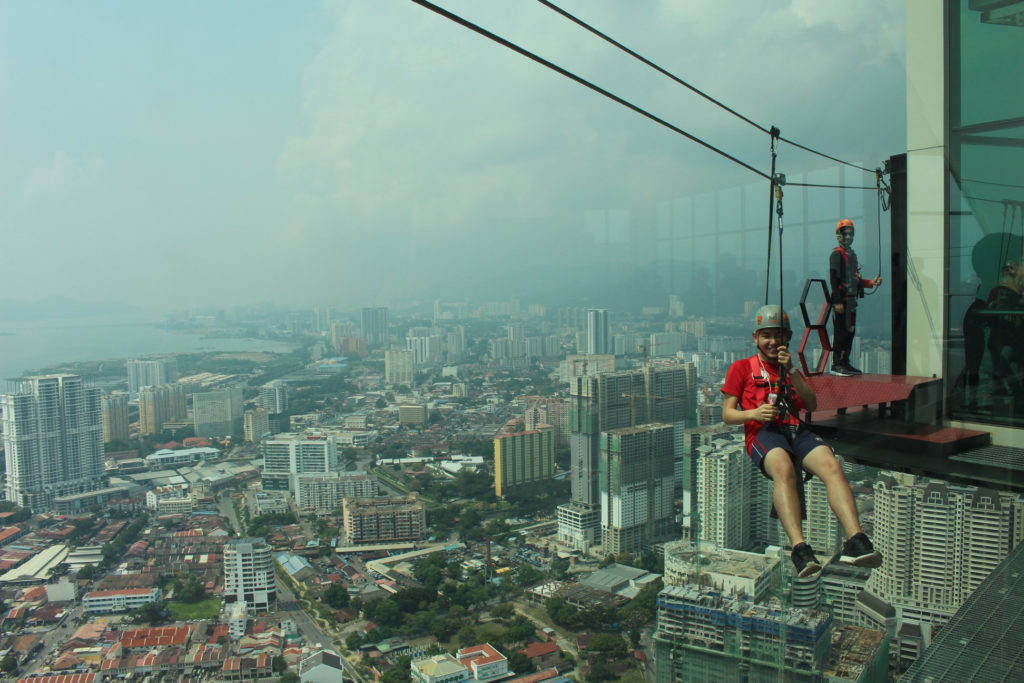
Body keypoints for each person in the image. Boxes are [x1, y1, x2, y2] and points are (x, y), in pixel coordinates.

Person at [722, 304, 882, 577]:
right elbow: (727, 414)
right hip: (764, 432)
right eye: (767, 335)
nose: (773, 341)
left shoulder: (790, 370)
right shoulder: (741, 368)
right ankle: (799, 548)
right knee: (784, 469)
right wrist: (755, 413)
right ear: (755, 337)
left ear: (789, 337)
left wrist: (792, 370)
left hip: (796, 429)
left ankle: (855, 539)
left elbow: (811, 402)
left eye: (779, 335)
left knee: (831, 466)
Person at [830, 219, 882, 376]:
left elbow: (854, 279)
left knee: (850, 332)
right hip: (843, 301)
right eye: (845, 234)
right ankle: (837, 363)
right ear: (839, 235)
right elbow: (834, 278)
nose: (848, 237)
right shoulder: (837, 255)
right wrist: (838, 301)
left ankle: (845, 362)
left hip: (851, 301)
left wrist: (870, 283)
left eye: (850, 234)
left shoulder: (852, 255)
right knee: (841, 333)